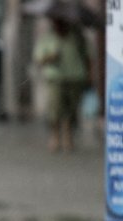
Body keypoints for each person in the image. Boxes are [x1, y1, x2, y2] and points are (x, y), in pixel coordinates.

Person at [33, 17, 91, 153]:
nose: (59, 24)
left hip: (75, 76)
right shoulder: (47, 37)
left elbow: (87, 56)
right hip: (55, 78)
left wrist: (90, 75)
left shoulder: (77, 36)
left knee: (72, 109)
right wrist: (50, 57)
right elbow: (38, 59)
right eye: (57, 22)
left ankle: (68, 136)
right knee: (55, 108)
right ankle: (55, 136)